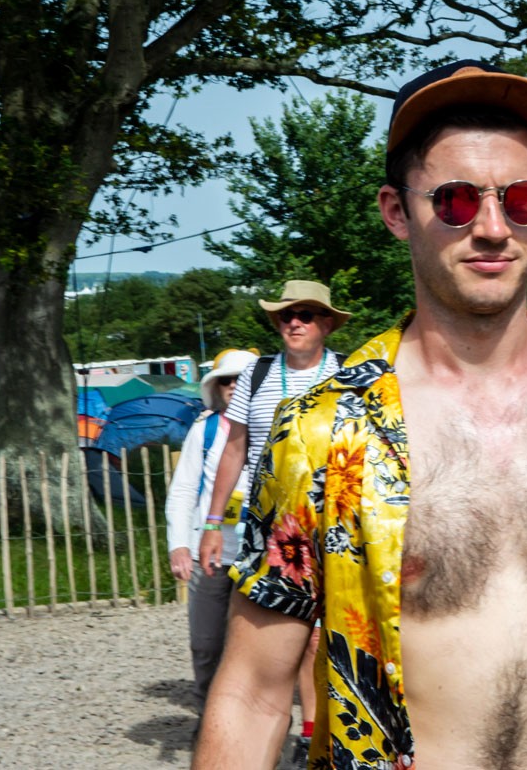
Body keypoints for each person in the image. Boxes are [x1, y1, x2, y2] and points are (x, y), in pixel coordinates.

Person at [194, 60, 527, 770]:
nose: (491, 227)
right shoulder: (324, 431)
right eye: (455, 200)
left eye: (521, 199)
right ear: (397, 212)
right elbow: (254, 692)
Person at [197, 278, 347, 763]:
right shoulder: (258, 375)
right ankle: (267, 738)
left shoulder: (348, 374)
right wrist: (212, 524)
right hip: (269, 530)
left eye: (305, 315)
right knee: (272, 642)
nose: (294, 323)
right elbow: (234, 448)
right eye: (286, 315)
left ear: (327, 324)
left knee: (323, 640)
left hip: (333, 525)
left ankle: (314, 737)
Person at [165, 347, 259, 716]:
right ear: (215, 388)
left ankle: (250, 717)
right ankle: (208, 716)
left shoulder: (275, 425)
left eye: (242, 379)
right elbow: (183, 490)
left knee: (257, 644)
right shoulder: (203, 431)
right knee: (205, 642)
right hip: (210, 554)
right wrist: (179, 545)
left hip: (261, 554)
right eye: (226, 380)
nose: (234, 385)